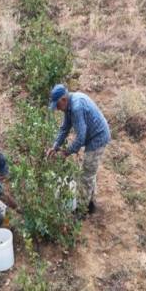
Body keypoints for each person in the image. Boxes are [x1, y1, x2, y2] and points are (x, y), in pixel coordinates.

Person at [45, 85, 110, 216]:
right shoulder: (69, 105)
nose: (57, 109)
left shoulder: (76, 107)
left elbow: (80, 138)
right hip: (92, 137)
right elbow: (64, 129)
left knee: (86, 174)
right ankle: (89, 203)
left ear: (63, 99)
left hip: (98, 138)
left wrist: (65, 152)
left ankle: (81, 211)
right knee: (88, 172)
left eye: (57, 105)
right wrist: (55, 146)